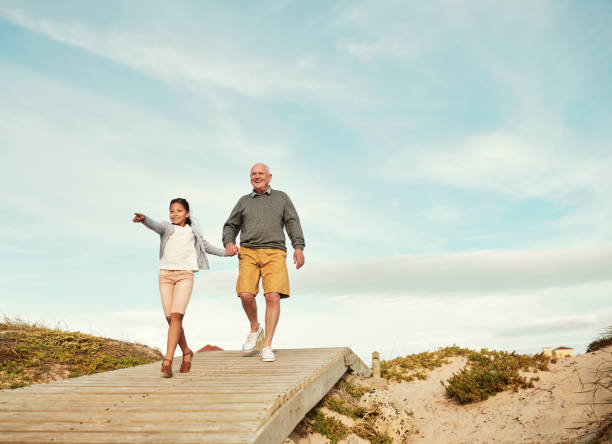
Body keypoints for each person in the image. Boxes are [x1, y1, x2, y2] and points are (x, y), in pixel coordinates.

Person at [133, 198, 232, 377]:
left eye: (179, 211)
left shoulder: (193, 232)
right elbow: (155, 225)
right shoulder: (167, 228)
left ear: (187, 213)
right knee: (171, 319)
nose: (175, 214)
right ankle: (186, 352)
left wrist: (226, 253)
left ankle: (168, 361)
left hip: (185, 276)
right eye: (172, 211)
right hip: (165, 276)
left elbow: (207, 247)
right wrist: (144, 219)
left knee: (177, 316)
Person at [223, 163, 305, 362]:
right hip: (249, 252)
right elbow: (230, 225)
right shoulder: (243, 201)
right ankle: (255, 327)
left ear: (269, 177)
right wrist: (229, 242)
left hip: (275, 252)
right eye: (253, 174)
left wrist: (298, 246)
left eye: (261, 173)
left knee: (272, 296)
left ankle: (267, 345)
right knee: (245, 295)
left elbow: (292, 222)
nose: (257, 176)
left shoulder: (281, 197)